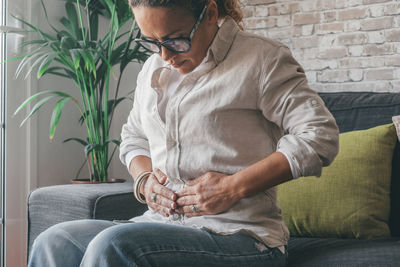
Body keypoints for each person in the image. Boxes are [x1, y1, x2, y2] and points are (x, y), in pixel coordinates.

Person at [28, 0, 339, 266]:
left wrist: (232, 187)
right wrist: (144, 181)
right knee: (54, 241)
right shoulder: (152, 69)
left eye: (175, 40)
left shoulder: (262, 59)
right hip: (159, 224)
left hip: (241, 235)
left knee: (115, 244)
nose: (164, 55)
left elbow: (318, 135)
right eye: (151, 42)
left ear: (209, 13)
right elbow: (134, 137)